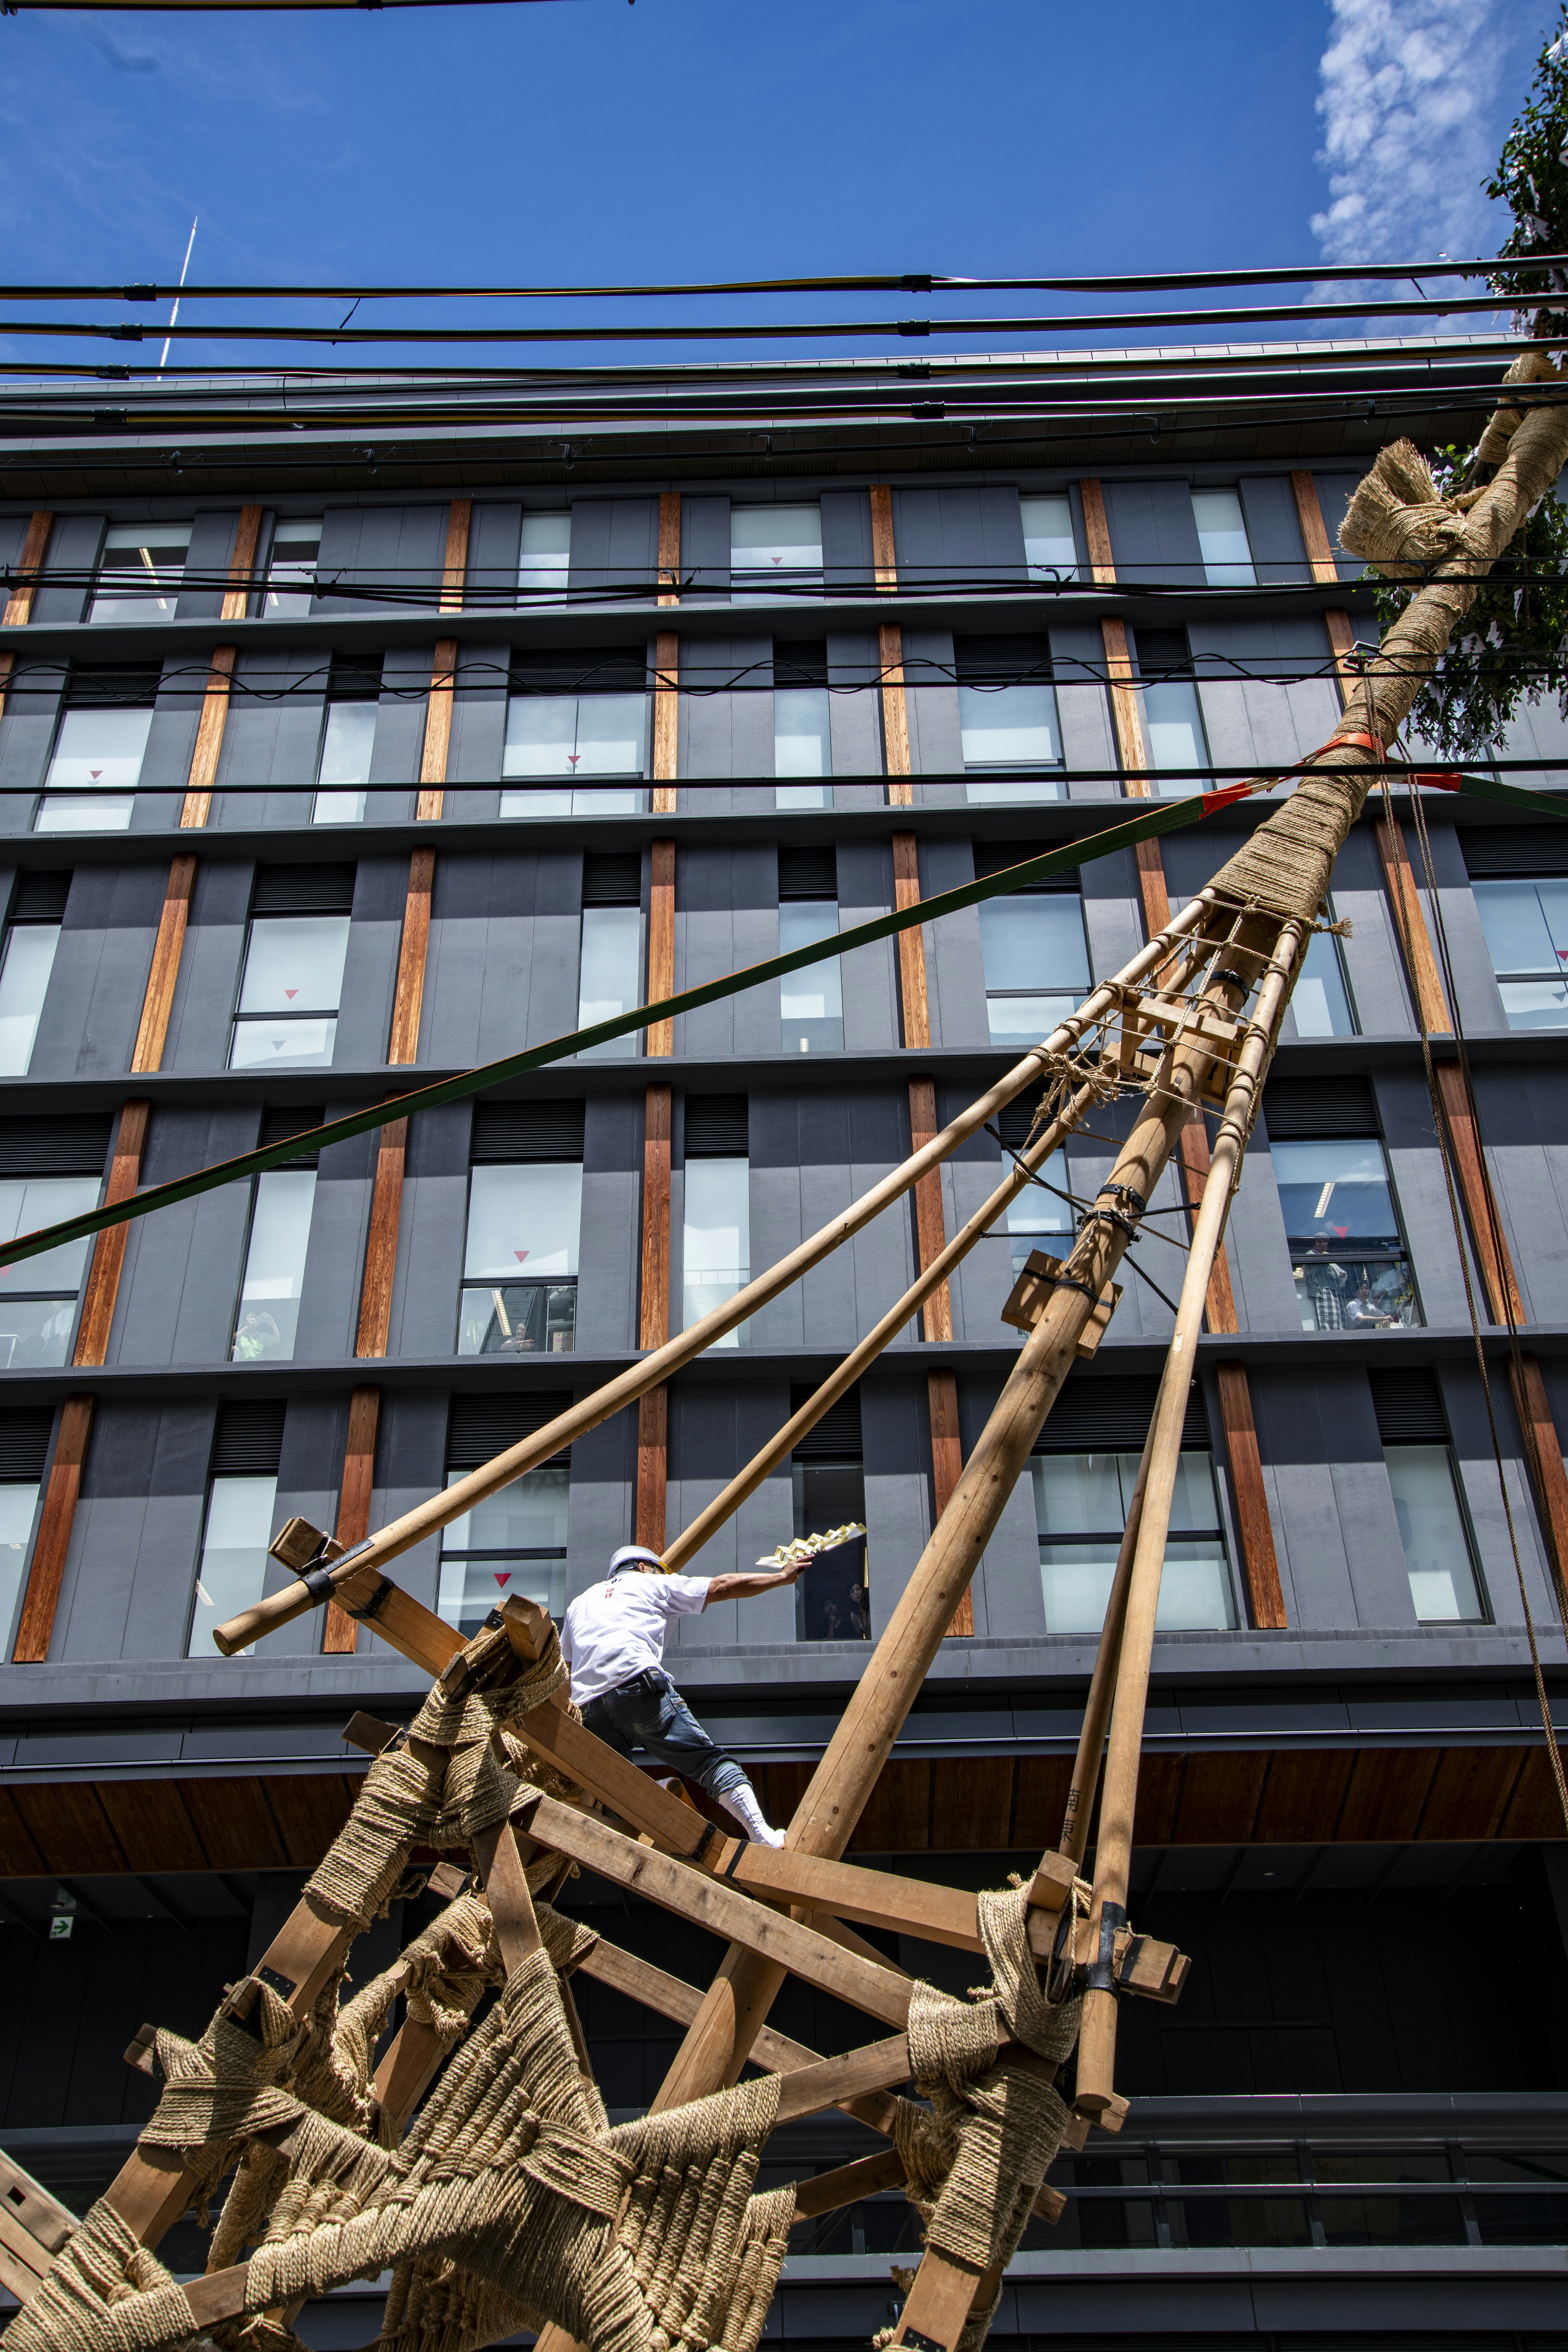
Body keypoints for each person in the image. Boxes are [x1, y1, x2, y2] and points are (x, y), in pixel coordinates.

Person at [560, 1543, 807, 1845]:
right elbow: (724, 1586)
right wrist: (782, 1577)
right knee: (709, 1763)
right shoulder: (654, 1583)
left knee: (613, 1793)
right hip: (639, 1687)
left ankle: (658, 1792)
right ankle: (762, 1835)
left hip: (591, 1709)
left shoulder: (579, 1604)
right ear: (642, 1567)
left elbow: (567, 1668)